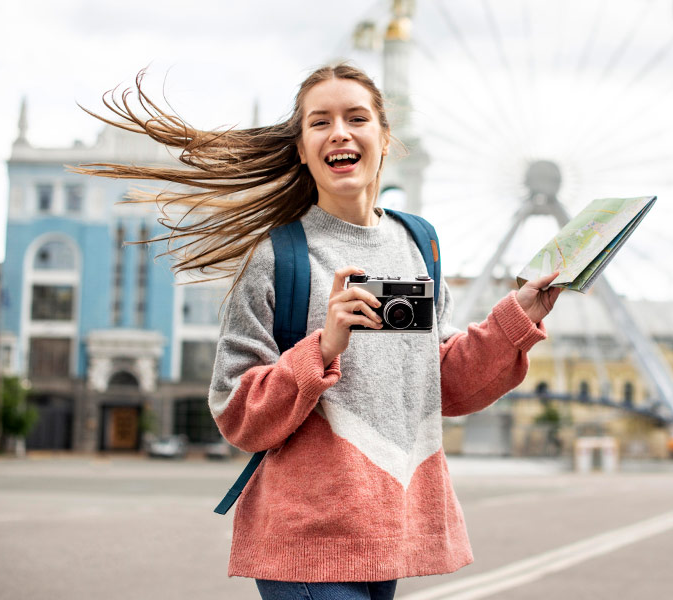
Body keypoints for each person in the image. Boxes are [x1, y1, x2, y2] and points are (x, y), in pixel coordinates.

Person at [77, 64, 562, 600]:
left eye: (357, 117)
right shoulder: (276, 256)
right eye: (319, 122)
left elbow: (444, 383)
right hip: (306, 541)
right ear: (303, 149)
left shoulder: (419, 244)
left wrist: (520, 314)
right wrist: (323, 347)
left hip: (387, 533)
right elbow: (235, 411)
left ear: (384, 136)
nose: (340, 132)